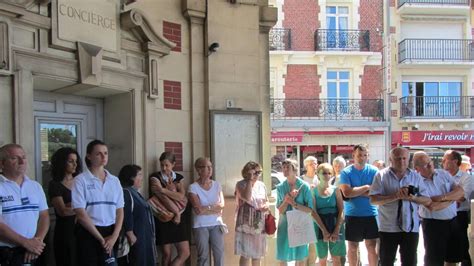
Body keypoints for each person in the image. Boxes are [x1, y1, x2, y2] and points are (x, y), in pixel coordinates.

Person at [369, 147, 431, 266]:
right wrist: (395, 196)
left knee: (410, 262)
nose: (402, 161)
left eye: (404, 158)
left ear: (408, 159)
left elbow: (427, 200)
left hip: (410, 227)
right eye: (398, 158)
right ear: (390, 159)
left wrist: (413, 198)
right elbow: (373, 200)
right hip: (388, 228)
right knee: (386, 262)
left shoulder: (416, 176)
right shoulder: (381, 175)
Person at [72, 140, 124, 266]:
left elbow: (120, 210)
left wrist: (114, 236)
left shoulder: (114, 181)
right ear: (89, 156)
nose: (103, 157)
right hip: (89, 232)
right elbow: (80, 213)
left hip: (111, 231)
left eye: (105, 153)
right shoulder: (80, 180)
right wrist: (101, 239)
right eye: (98, 154)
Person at [0, 144, 49, 265]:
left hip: (34, 251)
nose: (22, 162)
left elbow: (44, 216)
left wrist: (37, 242)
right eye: (14, 158)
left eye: (24, 157)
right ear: (2, 164)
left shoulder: (35, 186)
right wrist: (26, 243)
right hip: (7, 254)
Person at [413, 151, 464, 266]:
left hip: (452, 221)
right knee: (434, 260)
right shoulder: (415, 182)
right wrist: (452, 199)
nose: (431, 165)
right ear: (417, 168)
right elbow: (432, 206)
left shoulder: (443, 174)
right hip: (433, 225)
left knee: (452, 258)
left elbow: (460, 191)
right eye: (426, 164)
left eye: (430, 161)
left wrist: (442, 197)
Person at [339, 144, 378, 266]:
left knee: (372, 247)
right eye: (359, 155)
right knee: (352, 247)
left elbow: (376, 193)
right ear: (353, 156)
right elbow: (346, 192)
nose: (362, 158)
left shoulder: (374, 171)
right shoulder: (346, 172)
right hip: (353, 215)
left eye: (365, 155)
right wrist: (366, 187)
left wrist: (354, 192)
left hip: (371, 214)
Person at [149, 152, 190, 265]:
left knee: (185, 252)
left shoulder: (179, 177)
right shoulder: (155, 177)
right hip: (164, 217)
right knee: (166, 254)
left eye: (167, 165)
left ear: (173, 164)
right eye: (162, 165)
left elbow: (181, 196)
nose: (164, 168)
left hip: (179, 218)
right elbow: (162, 198)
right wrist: (176, 212)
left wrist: (163, 190)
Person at [276, 159, 314, 266]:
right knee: (283, 256)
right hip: (285, 224)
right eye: (283, 167)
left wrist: (295, 204)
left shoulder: (304, 186)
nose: (285, 169)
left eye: (288, 167)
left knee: (300, 256)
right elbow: (280, 210)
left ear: (295, 169)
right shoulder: (280, 187)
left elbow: (310, 209)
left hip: (300, 224)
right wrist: (286, 200)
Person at [188, 157, 225, 266]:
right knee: (203, 256)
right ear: (198, 170)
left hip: (217, 223)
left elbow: (221, 206)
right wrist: (213, 207)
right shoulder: (193, 187)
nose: (210, 169)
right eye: (206, 167)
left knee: (219, 254)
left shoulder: (217, 185)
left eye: (210, 167)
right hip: (200, 225)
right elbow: (198, 210)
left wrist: (206, 208)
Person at [49, 147, 82, 266]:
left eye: (76, 161)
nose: (74, 164)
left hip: (82, 229)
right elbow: (62, 211)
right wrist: (81, 208)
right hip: (65, 232)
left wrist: (72, 206)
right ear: (62, 162)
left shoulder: (80, 181)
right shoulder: (55, 184)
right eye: (70, 161)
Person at [118, 164, 156, 266]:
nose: (142, 177)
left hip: (143, 235)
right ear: (131, 177)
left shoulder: (135, 193)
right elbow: (126, 213)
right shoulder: (126, 192)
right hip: (136, 236)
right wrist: (130, 232)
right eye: (139, 174)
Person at [234, 161, 268, 266]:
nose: (257, 175)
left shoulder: (262, 185)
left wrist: (266, 206)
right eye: (255, 172)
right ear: (247, 172)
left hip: (259, 223)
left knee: (257, 255)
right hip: (245, 223)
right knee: (245, 254)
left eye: (259, 172)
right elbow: (247, 197)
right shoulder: (240, 184)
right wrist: (249, 179)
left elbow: (266, 200)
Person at [311, 163, 345, 266]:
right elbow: (313, 212)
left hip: (336, 224)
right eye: (324, 173)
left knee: (336, 258)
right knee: (322, 258)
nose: (326, 175)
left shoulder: (336, 190)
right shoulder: (313, 191)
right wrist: (324, 230)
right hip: (319, 225)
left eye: (329, 173)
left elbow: (341, 211)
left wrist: (336, 230)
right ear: (318, 174)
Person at [443, 150, 472, 266]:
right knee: (446, 249)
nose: (442, 162)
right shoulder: (441, 176)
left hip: (459, 216)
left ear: (455, 161)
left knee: (462, 248)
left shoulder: (466, 178)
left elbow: (461, 197)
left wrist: (441, 198)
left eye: (445, 159)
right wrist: (451, 196)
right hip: (443, 215)